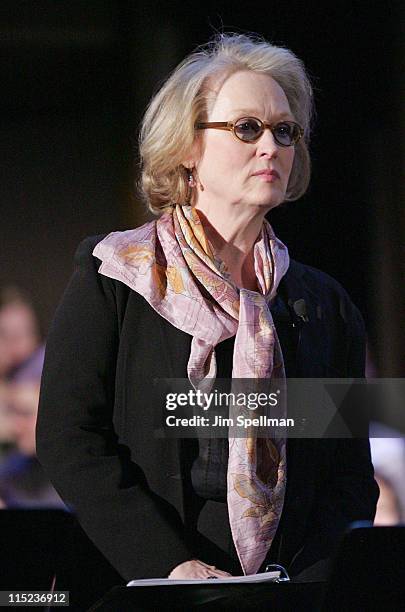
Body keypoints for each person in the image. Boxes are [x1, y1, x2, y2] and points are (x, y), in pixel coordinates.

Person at [36, 33, 379, 585]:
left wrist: (303, 583)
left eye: (285, 131)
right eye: (247, 128)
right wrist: (169, 567)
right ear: (187, 148)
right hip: (149, 584)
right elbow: (70, 439)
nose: (271, 147)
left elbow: (349, 477)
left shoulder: (325, 307)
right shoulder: (116, 277)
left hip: (287, 590)